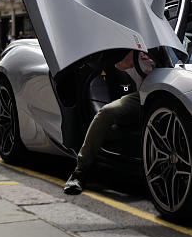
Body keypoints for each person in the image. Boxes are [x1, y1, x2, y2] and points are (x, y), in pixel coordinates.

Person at [63, 50, 156, 195]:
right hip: (142, 96)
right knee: (106, 112)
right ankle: (80, 171)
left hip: (173, 93)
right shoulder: (137, 50)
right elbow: (121, 65)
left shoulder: (175, 47)